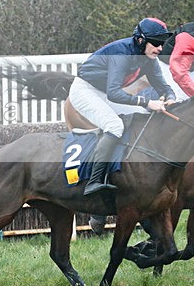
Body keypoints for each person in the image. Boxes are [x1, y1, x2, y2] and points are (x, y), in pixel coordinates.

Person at [70, 18, 177, 201]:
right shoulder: (122, 54)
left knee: (140, 117)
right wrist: (147, 102)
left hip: (103, 91)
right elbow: (114, 94)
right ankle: (94, 182)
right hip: (85, 90)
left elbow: (164, 87)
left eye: (162, 44)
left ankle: (122, 174)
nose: (160, 48)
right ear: (141, 40)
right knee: (114, 126)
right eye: (157, 43)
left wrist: (170, 99)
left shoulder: (149, 58)